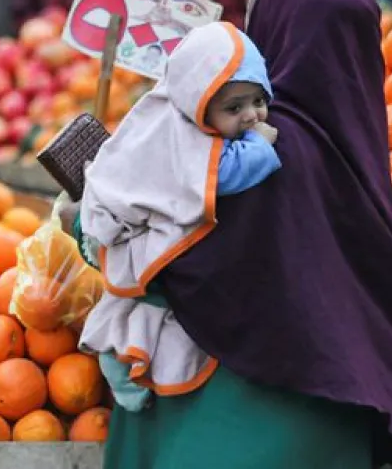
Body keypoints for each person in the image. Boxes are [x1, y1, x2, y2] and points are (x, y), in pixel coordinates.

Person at [77, 0, 392, 469]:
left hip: (224, 421)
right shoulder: (358, 155)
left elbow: (175, 259)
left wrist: (94, 222)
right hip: (332, 423)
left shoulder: (244, 145)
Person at [78, 21, 282, 412]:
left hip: (119, 218)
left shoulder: (175, 111)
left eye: (259, 100)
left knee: (154, 305)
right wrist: (259, 145)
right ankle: (119, 354)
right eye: (234, 107)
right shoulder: (179, 129)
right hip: (126, 225)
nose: (252, 116)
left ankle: (131, 354)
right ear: (198, 101)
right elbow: (225, 174)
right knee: (152, 294)